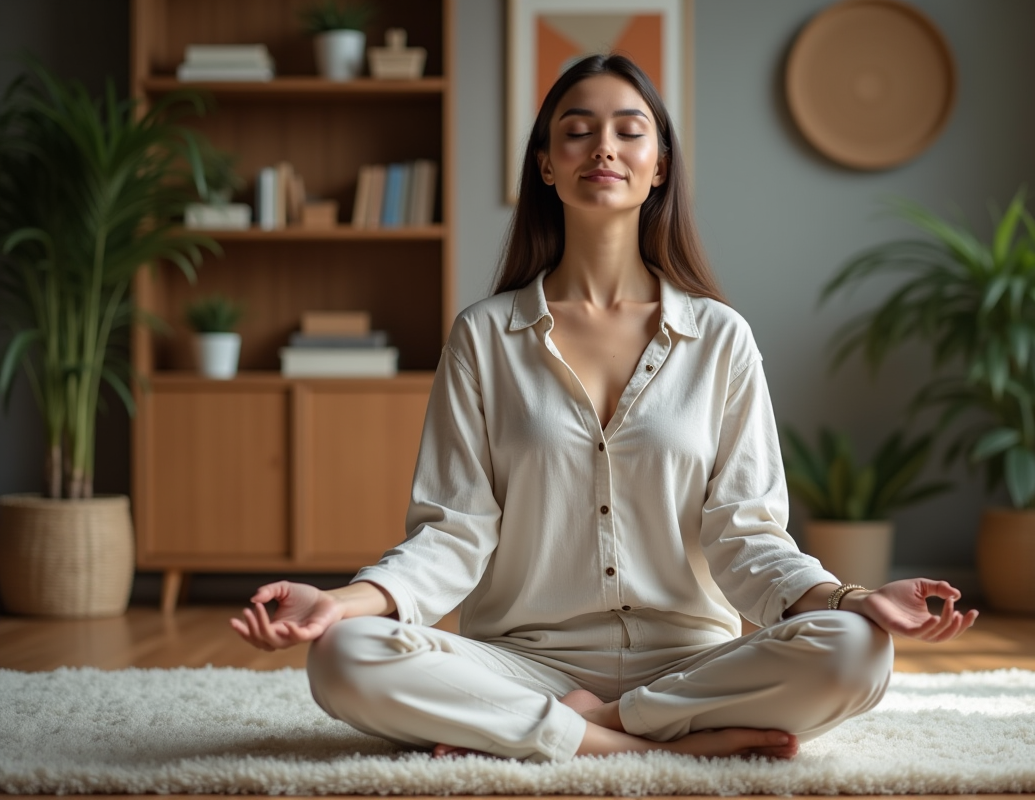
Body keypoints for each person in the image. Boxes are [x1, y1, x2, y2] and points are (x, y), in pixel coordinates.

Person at [231, 54, 978, 763]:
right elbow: (454, 532)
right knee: (344, 656)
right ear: (546, 164)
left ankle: (591, 729)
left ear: (659, 167)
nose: (604, 147)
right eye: (577, 129)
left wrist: (854, 599)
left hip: (694, 666)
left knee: (856, 649)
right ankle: (663, 748)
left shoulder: (720, 338)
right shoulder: (484, 336)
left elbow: (745, 534)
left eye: (629, 129)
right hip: (519, 663)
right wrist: (341, 601)